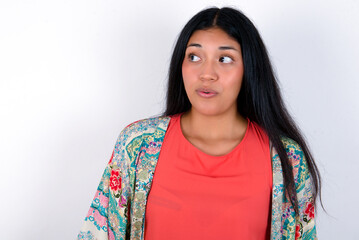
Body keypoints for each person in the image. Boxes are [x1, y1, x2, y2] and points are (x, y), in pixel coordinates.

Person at [78, 6, 321, 240]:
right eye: (194, 56)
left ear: (249, 69)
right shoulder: (137, 145)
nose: (207, 73)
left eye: (225, 59)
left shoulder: (286, 159)